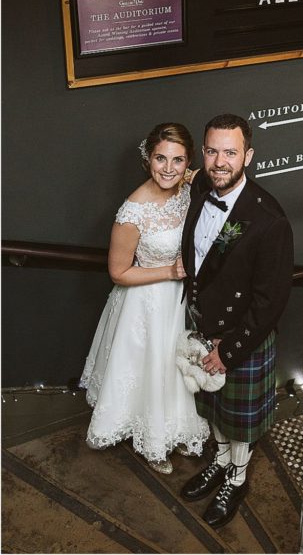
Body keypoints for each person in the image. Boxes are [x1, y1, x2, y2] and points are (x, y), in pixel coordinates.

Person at [179, 114, 294, 527]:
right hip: (203, 327)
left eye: (230, 152)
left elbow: (270, 301)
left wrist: (228, 350)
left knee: (239, 421)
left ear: (248, 155)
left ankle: (238, 478)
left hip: (242, 336)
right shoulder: (198, 187)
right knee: (214, 408)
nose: (220, 162)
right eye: (212, 151)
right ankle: (221, 464)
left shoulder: (270, 220)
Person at [81, 123, 209, 473]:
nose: (168, 168)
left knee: (174, 366)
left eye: (178, 160)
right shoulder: (133, 211)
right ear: (147, 159)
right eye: (160, 159)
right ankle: (154, 442)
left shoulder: (187, 186)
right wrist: (169, 271)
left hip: (180, 301)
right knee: (153, 366)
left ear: (188, 163)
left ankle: (178, 426)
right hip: (146, 301)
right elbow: (119, 272)